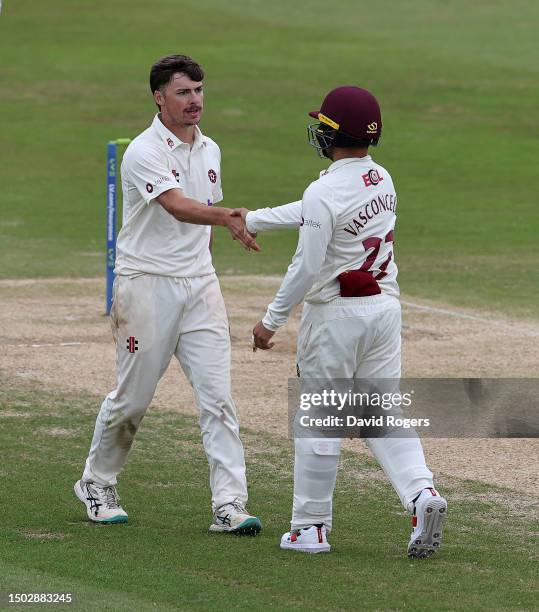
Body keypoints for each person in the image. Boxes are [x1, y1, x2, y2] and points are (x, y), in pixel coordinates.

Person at [240, 86, 447, 557]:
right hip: (383, 313)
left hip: (335, 317)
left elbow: (307, 263)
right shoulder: (382, 178)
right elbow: (317, 215)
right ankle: (422, 494)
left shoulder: (323, 191)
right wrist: (253, 218)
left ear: (331, 134)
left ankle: (309, 528)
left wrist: (270, 322)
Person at [75, 54, 262, 535]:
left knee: (218, 400)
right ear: (159, 97)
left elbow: (205, 216)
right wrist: (227, 219)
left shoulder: (210, 148)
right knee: (133, 398)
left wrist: (218, 239)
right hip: (147, 286)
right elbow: (178, 207)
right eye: (183, 92)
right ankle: (96, 482)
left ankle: (229, 504)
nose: (194, 100)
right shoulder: (143, 151)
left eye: (199, 90)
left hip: (200, 286)